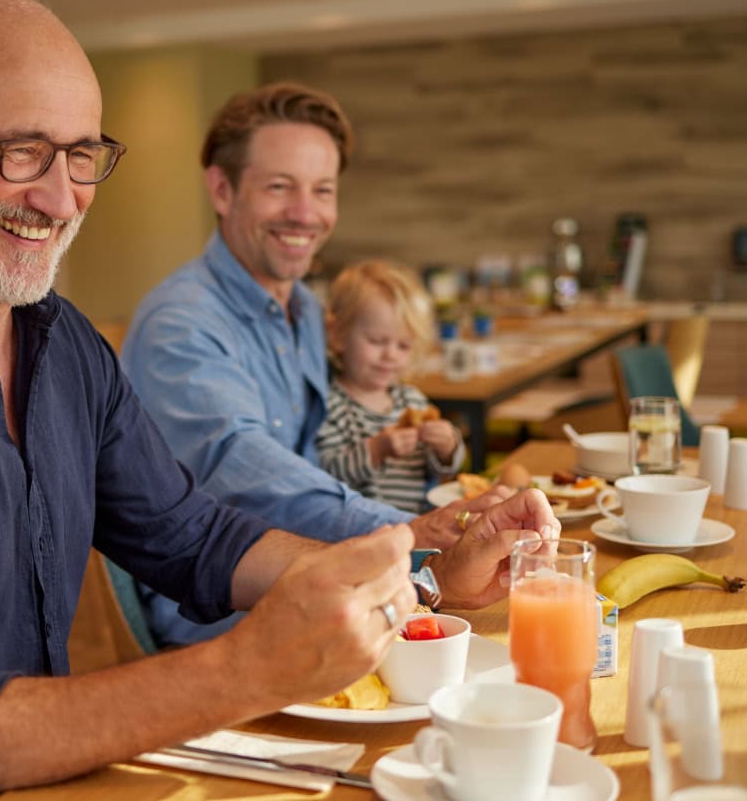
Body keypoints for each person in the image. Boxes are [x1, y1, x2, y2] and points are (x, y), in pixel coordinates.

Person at [0, 0, 558, 799]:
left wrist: (426, 578)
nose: (62, 199)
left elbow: (195, 538)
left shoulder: (61, 343)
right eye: (22, 151)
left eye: (84, 156)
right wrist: (244, 672)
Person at [121, 82, 528, 647]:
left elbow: (332, 446)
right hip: (220, 612)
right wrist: (399, 533)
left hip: (318, 569)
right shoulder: (181, 323)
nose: (305, 214)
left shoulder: (310, 312)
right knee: (478, 636)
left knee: (508, 606)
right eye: (279, 187)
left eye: (323, 190)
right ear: (221, 189)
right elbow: (241, 465)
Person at [317, 260, 464, 514]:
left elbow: (440, 470)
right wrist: (376, 450)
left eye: (403, 346)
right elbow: (326, 474)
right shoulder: (330, 405)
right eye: (377, 341)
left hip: (416, 529)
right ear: (338, 335)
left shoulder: (412, 401)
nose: (390, 355)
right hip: (358, 535)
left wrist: (448, 448)